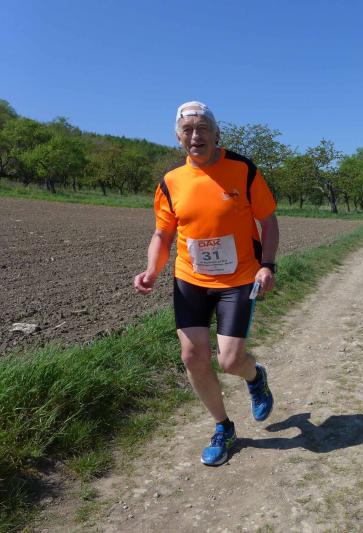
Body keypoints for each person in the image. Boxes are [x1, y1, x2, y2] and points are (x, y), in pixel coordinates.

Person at [133, 101, 279, 466]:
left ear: (216, 134)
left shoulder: (243, 170)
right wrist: (151, 270)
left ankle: (255, 377)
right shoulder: (170, 182)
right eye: (188, 130)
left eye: (202, 129)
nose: (195, 136)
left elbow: (268, 221)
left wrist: (267, 265)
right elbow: (163, 234)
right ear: (178, 137)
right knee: (192, 356)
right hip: (191, 279)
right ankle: (223, 427)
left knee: (230, 361)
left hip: (238, 279)